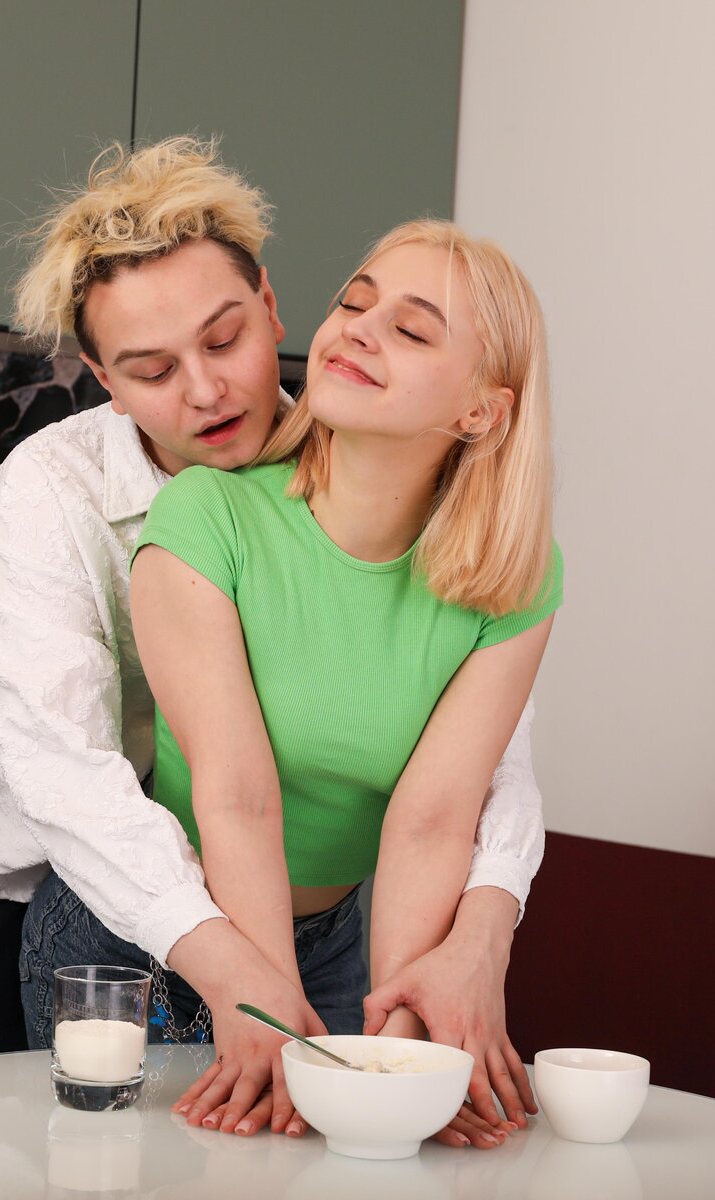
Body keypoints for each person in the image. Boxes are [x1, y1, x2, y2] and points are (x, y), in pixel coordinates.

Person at [0, 137, 543, 1147]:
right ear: (104, 379)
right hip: (48, 850)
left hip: (284, 906)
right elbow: (65, 773)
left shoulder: (370, 465)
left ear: (273, 308)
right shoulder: (54, 487)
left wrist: (483, 929)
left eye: (225, 339)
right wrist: (233, 968)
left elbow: (480, 771)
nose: (205, 391)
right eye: (153, 370)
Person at [131, 218, 560, 1139]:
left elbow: (433, 821)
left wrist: (402, 1050)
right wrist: (265, 1009)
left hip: (333, 947)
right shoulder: (207, 515)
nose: (358, 329)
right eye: (355, 304)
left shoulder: (515, 579)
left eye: (410, 329)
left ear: (481, 412)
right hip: (158, 947)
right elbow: (237, 796)